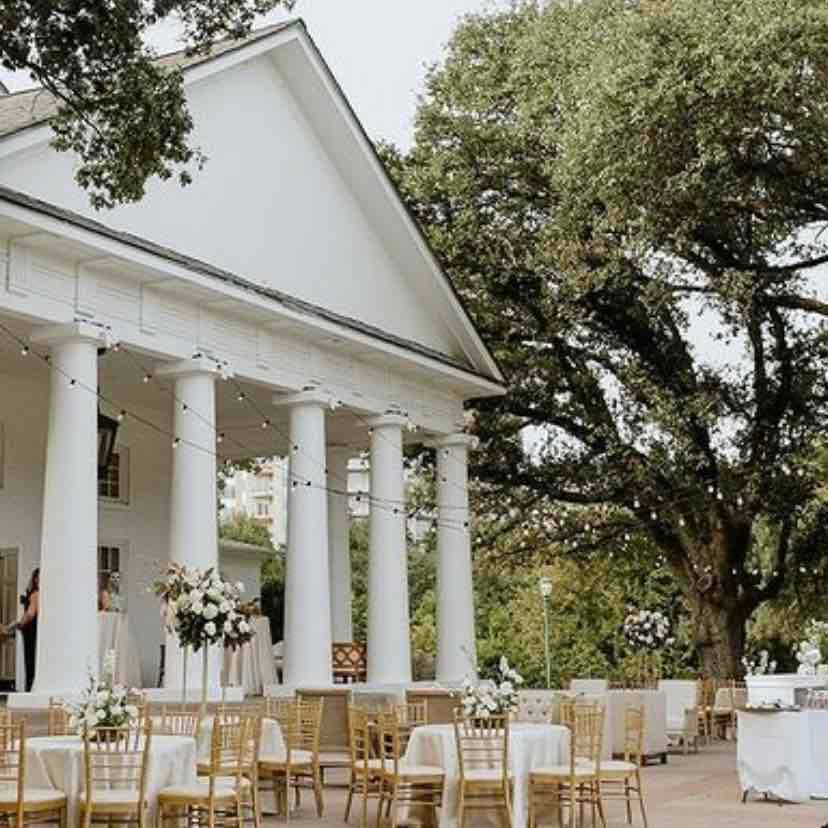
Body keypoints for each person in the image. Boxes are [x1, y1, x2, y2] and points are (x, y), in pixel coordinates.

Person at [16, 568, 39, 692]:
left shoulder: (36, 594)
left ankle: (30, 689)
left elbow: (30, 614)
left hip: (31, 631)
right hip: (36, 631)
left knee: (30, 661)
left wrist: (20, 624)